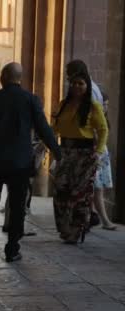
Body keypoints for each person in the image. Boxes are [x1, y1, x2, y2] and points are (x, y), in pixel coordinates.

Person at [0, 63, 62, 262]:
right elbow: (44, 128)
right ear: (19, 78)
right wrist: (57, 151)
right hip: (20, 160)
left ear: (3, 77)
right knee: (17, 204)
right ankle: (12, 247)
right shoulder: (31, 99)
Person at [52, 71, 109, 244]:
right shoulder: (63, 104)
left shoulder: (93, 106)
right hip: (65, 152)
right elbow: (55, 128)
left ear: (87, 86)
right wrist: (47, 146)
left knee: (80, 194)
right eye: (74, 83)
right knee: (61, 191)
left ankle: (75, 231)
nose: (77, 86)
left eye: (81, 83)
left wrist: (99, 152)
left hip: (85, 155)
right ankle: (64, 228)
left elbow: (103, 130)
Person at [93, 91, 117, 230]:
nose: (105, 107)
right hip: (96, 153)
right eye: (104, 104)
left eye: (107, 105)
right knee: (98, 188)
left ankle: (94, 217)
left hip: (102, 154)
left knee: (98, 188)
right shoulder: (96, 116)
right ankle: (105, 220)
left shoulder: (104, 118)